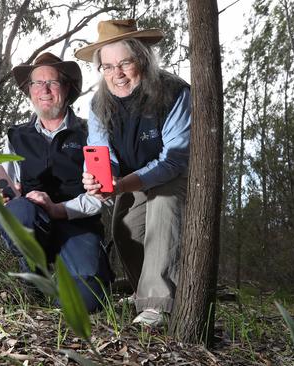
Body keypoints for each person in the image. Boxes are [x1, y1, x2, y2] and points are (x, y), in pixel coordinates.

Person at [74, 19, 191, 326]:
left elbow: (174, 160)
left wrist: (124, 183)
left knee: (163, 208)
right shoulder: (99, 104)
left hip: (173, 175)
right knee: (125, 227)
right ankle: (145, 292)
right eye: (108, 66)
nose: (118, 74)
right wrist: (99, 177)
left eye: (125, 63)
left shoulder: (175, 93)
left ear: (142, 59)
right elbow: (101, 152)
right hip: (132, 177)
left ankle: (159, 304)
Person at [0, 52, 111, 313]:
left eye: (53, 83)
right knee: (19, 213)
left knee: (85, 301)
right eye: (37, 83)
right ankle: (33, 269)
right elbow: (7, 191)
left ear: (67, 88)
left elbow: (101, 197)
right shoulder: (16, 136)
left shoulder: (91, 134)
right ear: (29, 90)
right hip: (35, 223)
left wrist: (58, 208)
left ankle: (76, 276)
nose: (44, 90)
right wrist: (9, 198)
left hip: (77, 226)